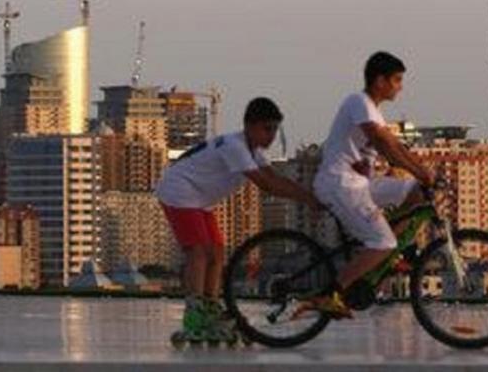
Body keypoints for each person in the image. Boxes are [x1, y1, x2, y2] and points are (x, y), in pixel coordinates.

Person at [156, 96, 323, 344]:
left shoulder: (253, 151)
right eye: (267, 129)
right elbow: (267, 185)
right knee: (198, 252)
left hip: (198, 197)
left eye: (275, 130)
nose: (271, 136)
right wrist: (307, 199)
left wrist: (308, 196)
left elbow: (274, 177)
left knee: (217, 251)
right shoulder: (235, 147)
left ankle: (210, 309)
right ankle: (194, 315)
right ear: (249, 126)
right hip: (179, 190)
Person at [301, 51, 436, 319]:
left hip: (361, 184)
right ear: (379, 81)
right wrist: (419, 170)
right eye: (396, 80)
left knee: (416, 192)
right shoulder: (358, 102)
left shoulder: (375, 112)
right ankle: (330, 294)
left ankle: (389, 251)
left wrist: (423, 173)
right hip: (341, 185)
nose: (400, 86)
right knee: (382, 242)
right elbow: (385, 144)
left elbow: (395, 145)